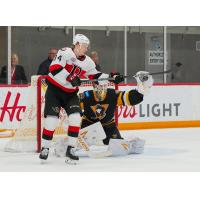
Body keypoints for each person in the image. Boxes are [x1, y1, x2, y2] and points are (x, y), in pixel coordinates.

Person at [39, 34, 124, 164]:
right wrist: (71, 78)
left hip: (70, 94)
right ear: (77, 44)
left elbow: (96, 75)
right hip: (54, 91)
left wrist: (112, 77)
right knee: (51, 120)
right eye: (84, 46)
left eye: (87, 46)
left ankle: (71, 149)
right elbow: (54, 68)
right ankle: (45, 147)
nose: (86, 48)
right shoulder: (65, 52)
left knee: (75, 118)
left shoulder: (88, 61)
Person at [54, 71, 154, 158]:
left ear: (107, 85)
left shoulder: (113, 94)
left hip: (108, 125)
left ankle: (132, 145)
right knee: (69, 146)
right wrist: (69, 116)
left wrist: (141, 87)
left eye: (103, 86)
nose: (101, 89)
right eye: (98, 86)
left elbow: (131, 99)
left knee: (118, 147)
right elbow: (71, 106)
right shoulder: (86, 95)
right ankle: (65, 145)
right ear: (94, 86)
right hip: (89, 125)